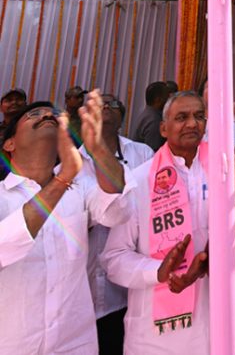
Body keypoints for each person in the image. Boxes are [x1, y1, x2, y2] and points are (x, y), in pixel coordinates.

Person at [0, 92, 132, 354]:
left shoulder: (80, 188)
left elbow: (118, 209)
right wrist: (62, 180)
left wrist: (96, 147)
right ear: (10, 144)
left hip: (74, 342)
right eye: (34, 114)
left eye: (53, 116)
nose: (47, 115)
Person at [101, 91, 211, 354]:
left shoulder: (223, 173)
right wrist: (158, 271)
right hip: (155, 336)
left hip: (213, 324)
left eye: (199, 116)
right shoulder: (140, 181)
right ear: (163, 128)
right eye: (181, 117)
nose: (192, 124)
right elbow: (114, 258)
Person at [81, 94, 153, 355]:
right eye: (101, 105)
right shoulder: (68, 164)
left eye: (113, 104)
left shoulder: (142, 153)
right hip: (84, 290)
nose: (107, 108)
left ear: (122, 117)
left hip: (130, 288)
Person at [133, 81, 171, 151]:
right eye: (167, 97)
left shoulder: (147, 114)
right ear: (158, 100)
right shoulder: (154, 121)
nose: (169, 101)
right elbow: (153, 152)